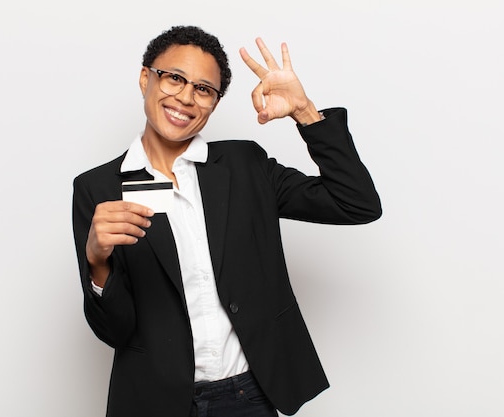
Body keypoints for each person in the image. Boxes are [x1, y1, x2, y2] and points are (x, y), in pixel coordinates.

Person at [72, 25, 381, 417]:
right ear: (145, 78)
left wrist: (306, 113)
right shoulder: (97, 188)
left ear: (214, 103)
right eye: (175, 78)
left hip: (248, 397)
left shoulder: (244, 166)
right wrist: (98, 263)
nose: (185, 97)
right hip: (155, 400)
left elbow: (357, 204)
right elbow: (113, 330)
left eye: (203, 89)